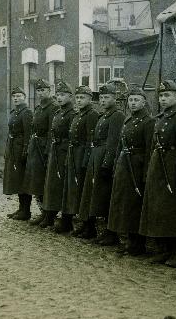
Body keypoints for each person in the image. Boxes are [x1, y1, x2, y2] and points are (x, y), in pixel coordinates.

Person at [138, 80, 176, 268]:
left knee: (175, 212)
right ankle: (163, 249)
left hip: (172, 171)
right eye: (161, 96)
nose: (163, 99)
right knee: (159, 210)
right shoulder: (162, 117)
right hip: (158, 170)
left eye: (167, 96)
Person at [77, 83, 126, 244]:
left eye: (107, 98)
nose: (103, 101)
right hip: (95, 157)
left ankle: (110, 233)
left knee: (104, 195)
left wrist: (107, 164)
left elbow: (113, 142)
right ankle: (91, 228)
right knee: (93, 193)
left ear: (115, 98)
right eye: (102, 98)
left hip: (104, 158)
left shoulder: (117, 115)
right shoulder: (103, 115)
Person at [108, 85, 154, 255]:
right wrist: (115, 167)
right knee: (124, 204)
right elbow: (120, 146)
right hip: (124, 166)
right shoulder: (127, 120)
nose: (133, 103)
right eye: (131, 100)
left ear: (143, 102)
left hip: (137, 166)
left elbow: (149, 149)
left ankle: (137, 243)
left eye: (137, 100)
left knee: (135, 205)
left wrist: (145, 174)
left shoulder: (149, 122)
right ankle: (127, 239)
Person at [66, 85, 100, 238]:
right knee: (76, 190)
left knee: (84, 191)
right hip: (75, 153)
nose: (79, 100)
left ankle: (89, 226)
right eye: (77, 98)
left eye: (82, 98)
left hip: (83, 155)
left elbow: (90, 140)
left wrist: (85, 161)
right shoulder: (79, 114)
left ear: (90, 99)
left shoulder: (92, 115)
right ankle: (83, 223)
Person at [24, 79, 58, 227]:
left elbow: (52, 130)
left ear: (49, 91)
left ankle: (48, 214)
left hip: (44, 147)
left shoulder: (53, 107)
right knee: (36, 180)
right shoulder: (38, 108)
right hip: (35, 147)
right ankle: (42, 211)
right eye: (38, 91)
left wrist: (47, 150)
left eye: (43, 90)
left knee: (45, 181)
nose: (40, 93)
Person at [43, 80, 75, 233]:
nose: (59, 98)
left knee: (64, 186)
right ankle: (49, 214)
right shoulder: (58, 112)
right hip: (55, 151)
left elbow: (72, 137)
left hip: (64, 152)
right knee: (52, 184)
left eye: (63, 95)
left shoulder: (72, 114)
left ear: (70, 97)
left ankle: (66, 221)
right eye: (58, 95)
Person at [2, 86, 34, 221]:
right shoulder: (14, 112)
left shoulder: (26, 112)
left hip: (21, 149)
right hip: (13, 148)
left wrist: (25, 150)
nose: (16, 98)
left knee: (23, 180)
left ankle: (26, 211)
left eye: (19, 96)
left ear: (24, 98)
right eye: (14, 96)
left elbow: (28, 133)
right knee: (16, 179)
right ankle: (21, 208)